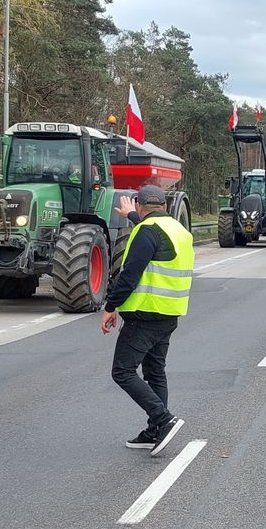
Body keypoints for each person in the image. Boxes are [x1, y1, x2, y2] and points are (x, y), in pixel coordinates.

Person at [101, 184, 194, 456]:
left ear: (141, 207)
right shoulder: (179, 231)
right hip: (169, 313)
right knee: (154, 372)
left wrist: (110, 306)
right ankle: (155, 431)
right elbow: (156, 239)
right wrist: (132, 216)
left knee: (122, 371)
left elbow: (129, 275)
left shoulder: (145, 232)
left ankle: (164, 419)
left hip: (145, 315)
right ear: (164, 206)